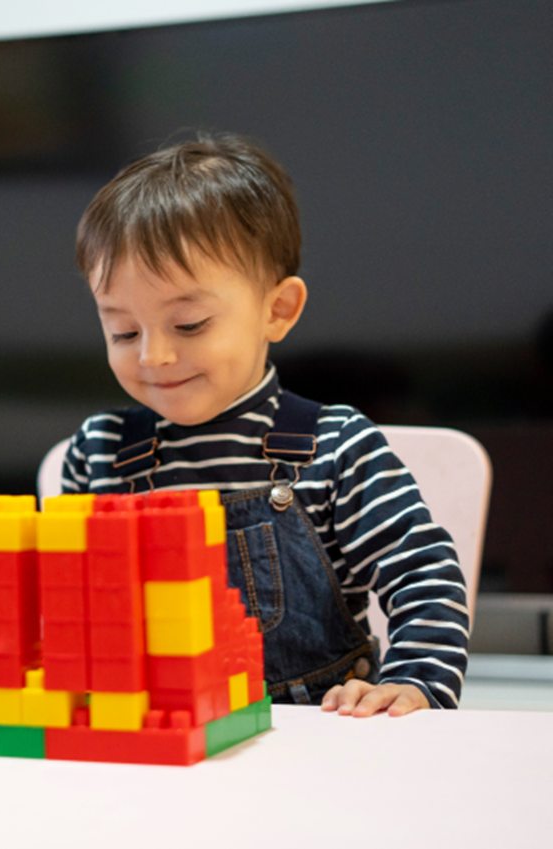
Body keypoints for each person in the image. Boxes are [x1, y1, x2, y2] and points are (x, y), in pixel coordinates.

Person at [61, 136, 468, 716]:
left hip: (314, 735)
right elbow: (75, 607)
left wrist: (415, 683)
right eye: (124, 332)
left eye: (190, 324)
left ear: (277, 310)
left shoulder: (335, 447)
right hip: (154, 738)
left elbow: (423, 574)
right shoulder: (98, 453)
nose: (152, 357)